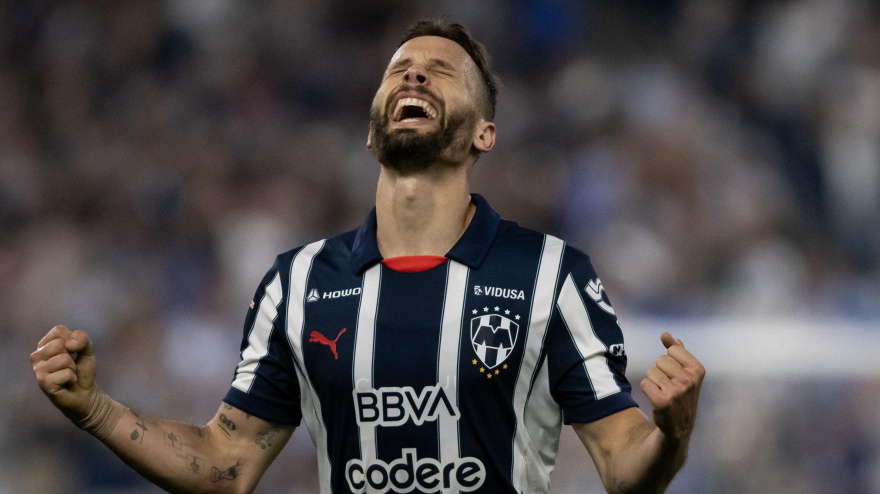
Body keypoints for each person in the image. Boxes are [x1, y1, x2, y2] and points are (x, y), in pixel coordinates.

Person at [30, 19, 705, 494]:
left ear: (484, 133)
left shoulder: (550, 273)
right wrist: (97, 410)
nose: (414, 73)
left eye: (442, 72)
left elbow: (623, 466)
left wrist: (671, 434)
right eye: (400, 71)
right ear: (372, 126)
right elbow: (228, 465)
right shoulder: (296, 283)